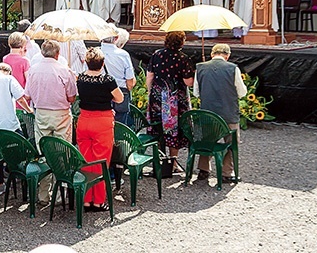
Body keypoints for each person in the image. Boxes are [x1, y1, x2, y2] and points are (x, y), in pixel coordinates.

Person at [24, 40, 78, 204]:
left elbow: (27, 96)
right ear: (57, 54)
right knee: (62, 153)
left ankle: (43, 194)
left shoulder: (33, 70)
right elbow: (72, 97)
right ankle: (59, 195)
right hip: (61, 114)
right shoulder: (64, 70)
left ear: (41, 53)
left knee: (43, 153)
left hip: (41, 113)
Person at [76, 48, 123, 212]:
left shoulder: (80, 78)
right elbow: (120, 98)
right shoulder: (107, 79)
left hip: (83, 120)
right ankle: (98, 200)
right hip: (102, 122)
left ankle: (86, 198)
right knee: (102, 162)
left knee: (86, 161)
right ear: (102, 64)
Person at [193, 44, 246, 183]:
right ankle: (226, 173)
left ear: (212, 54)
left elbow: (196, 93)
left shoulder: (200, 67)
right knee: (232, 142)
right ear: (227, 55)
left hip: (207, 114)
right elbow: (242, 93)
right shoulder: (233, 68)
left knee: (207, 140)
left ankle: (203, 170)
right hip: (228, 113)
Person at [146, 31, 194, 169]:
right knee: (174, 129)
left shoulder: (156, 54)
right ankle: (173, 161)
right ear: (182, 42)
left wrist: (151, 92)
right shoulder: (184, 58)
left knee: (158, 127)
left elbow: (149, 76)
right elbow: (188, 82)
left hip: (157, 96)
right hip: (175, 99)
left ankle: (161, 158)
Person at [0, 63, 32, 195]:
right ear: (8, 71)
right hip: (10, 123)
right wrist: (29, 110)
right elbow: (20, 98)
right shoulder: (9, 79)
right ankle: (18, 176)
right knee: (21, 148)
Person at [100, 33, 136, 127]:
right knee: (120, 125)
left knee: (102, 122)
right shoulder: (123, 55)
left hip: (101, 91)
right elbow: (130, 80)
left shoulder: (96, 53)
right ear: (116, 38)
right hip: (121, 90)